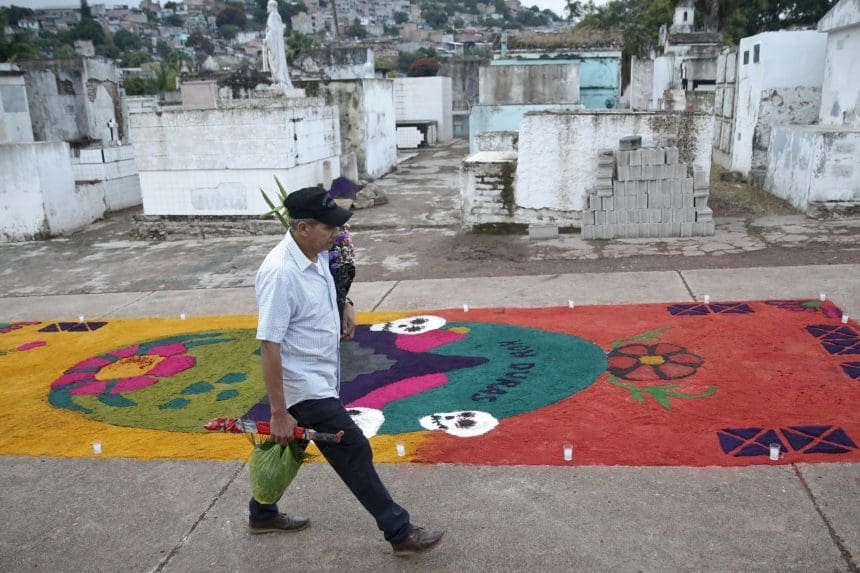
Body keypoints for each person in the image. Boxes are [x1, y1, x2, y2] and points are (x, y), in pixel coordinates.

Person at [250, 185, 444, 556]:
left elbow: (332, 285)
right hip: (302, 385)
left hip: (322, 373)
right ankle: (399, 531)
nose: (336, 233)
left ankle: (261, 513)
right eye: (329, 227)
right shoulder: (280, 273)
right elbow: (269, 345)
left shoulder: (317, 252)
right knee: (352, 447)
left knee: (294, 442)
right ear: (303, 227)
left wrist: (346, 304)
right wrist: (278, 411)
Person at [262, 0, 292, 89]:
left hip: (274, 44)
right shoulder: (275, 16)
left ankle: (280, 81)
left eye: (268, 6)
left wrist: (266, 39)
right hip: (274, 44)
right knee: (273, 63)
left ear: (271, 6)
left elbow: (273, 31)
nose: (267, 8)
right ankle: (277, 81)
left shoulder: (273, 16)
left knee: (275, 63)